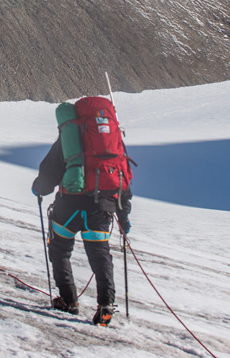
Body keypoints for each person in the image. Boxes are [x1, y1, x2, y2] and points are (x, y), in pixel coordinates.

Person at [32, 96, 132, 327]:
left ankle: (68, 300)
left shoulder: (70, 135)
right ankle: (106, 305)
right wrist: (123, 216)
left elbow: (51, 170)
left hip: (69, 206)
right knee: (100, 254)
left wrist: (39, 189)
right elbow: (124, 178)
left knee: (60, 249)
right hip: (101, 208)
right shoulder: (114, 140)